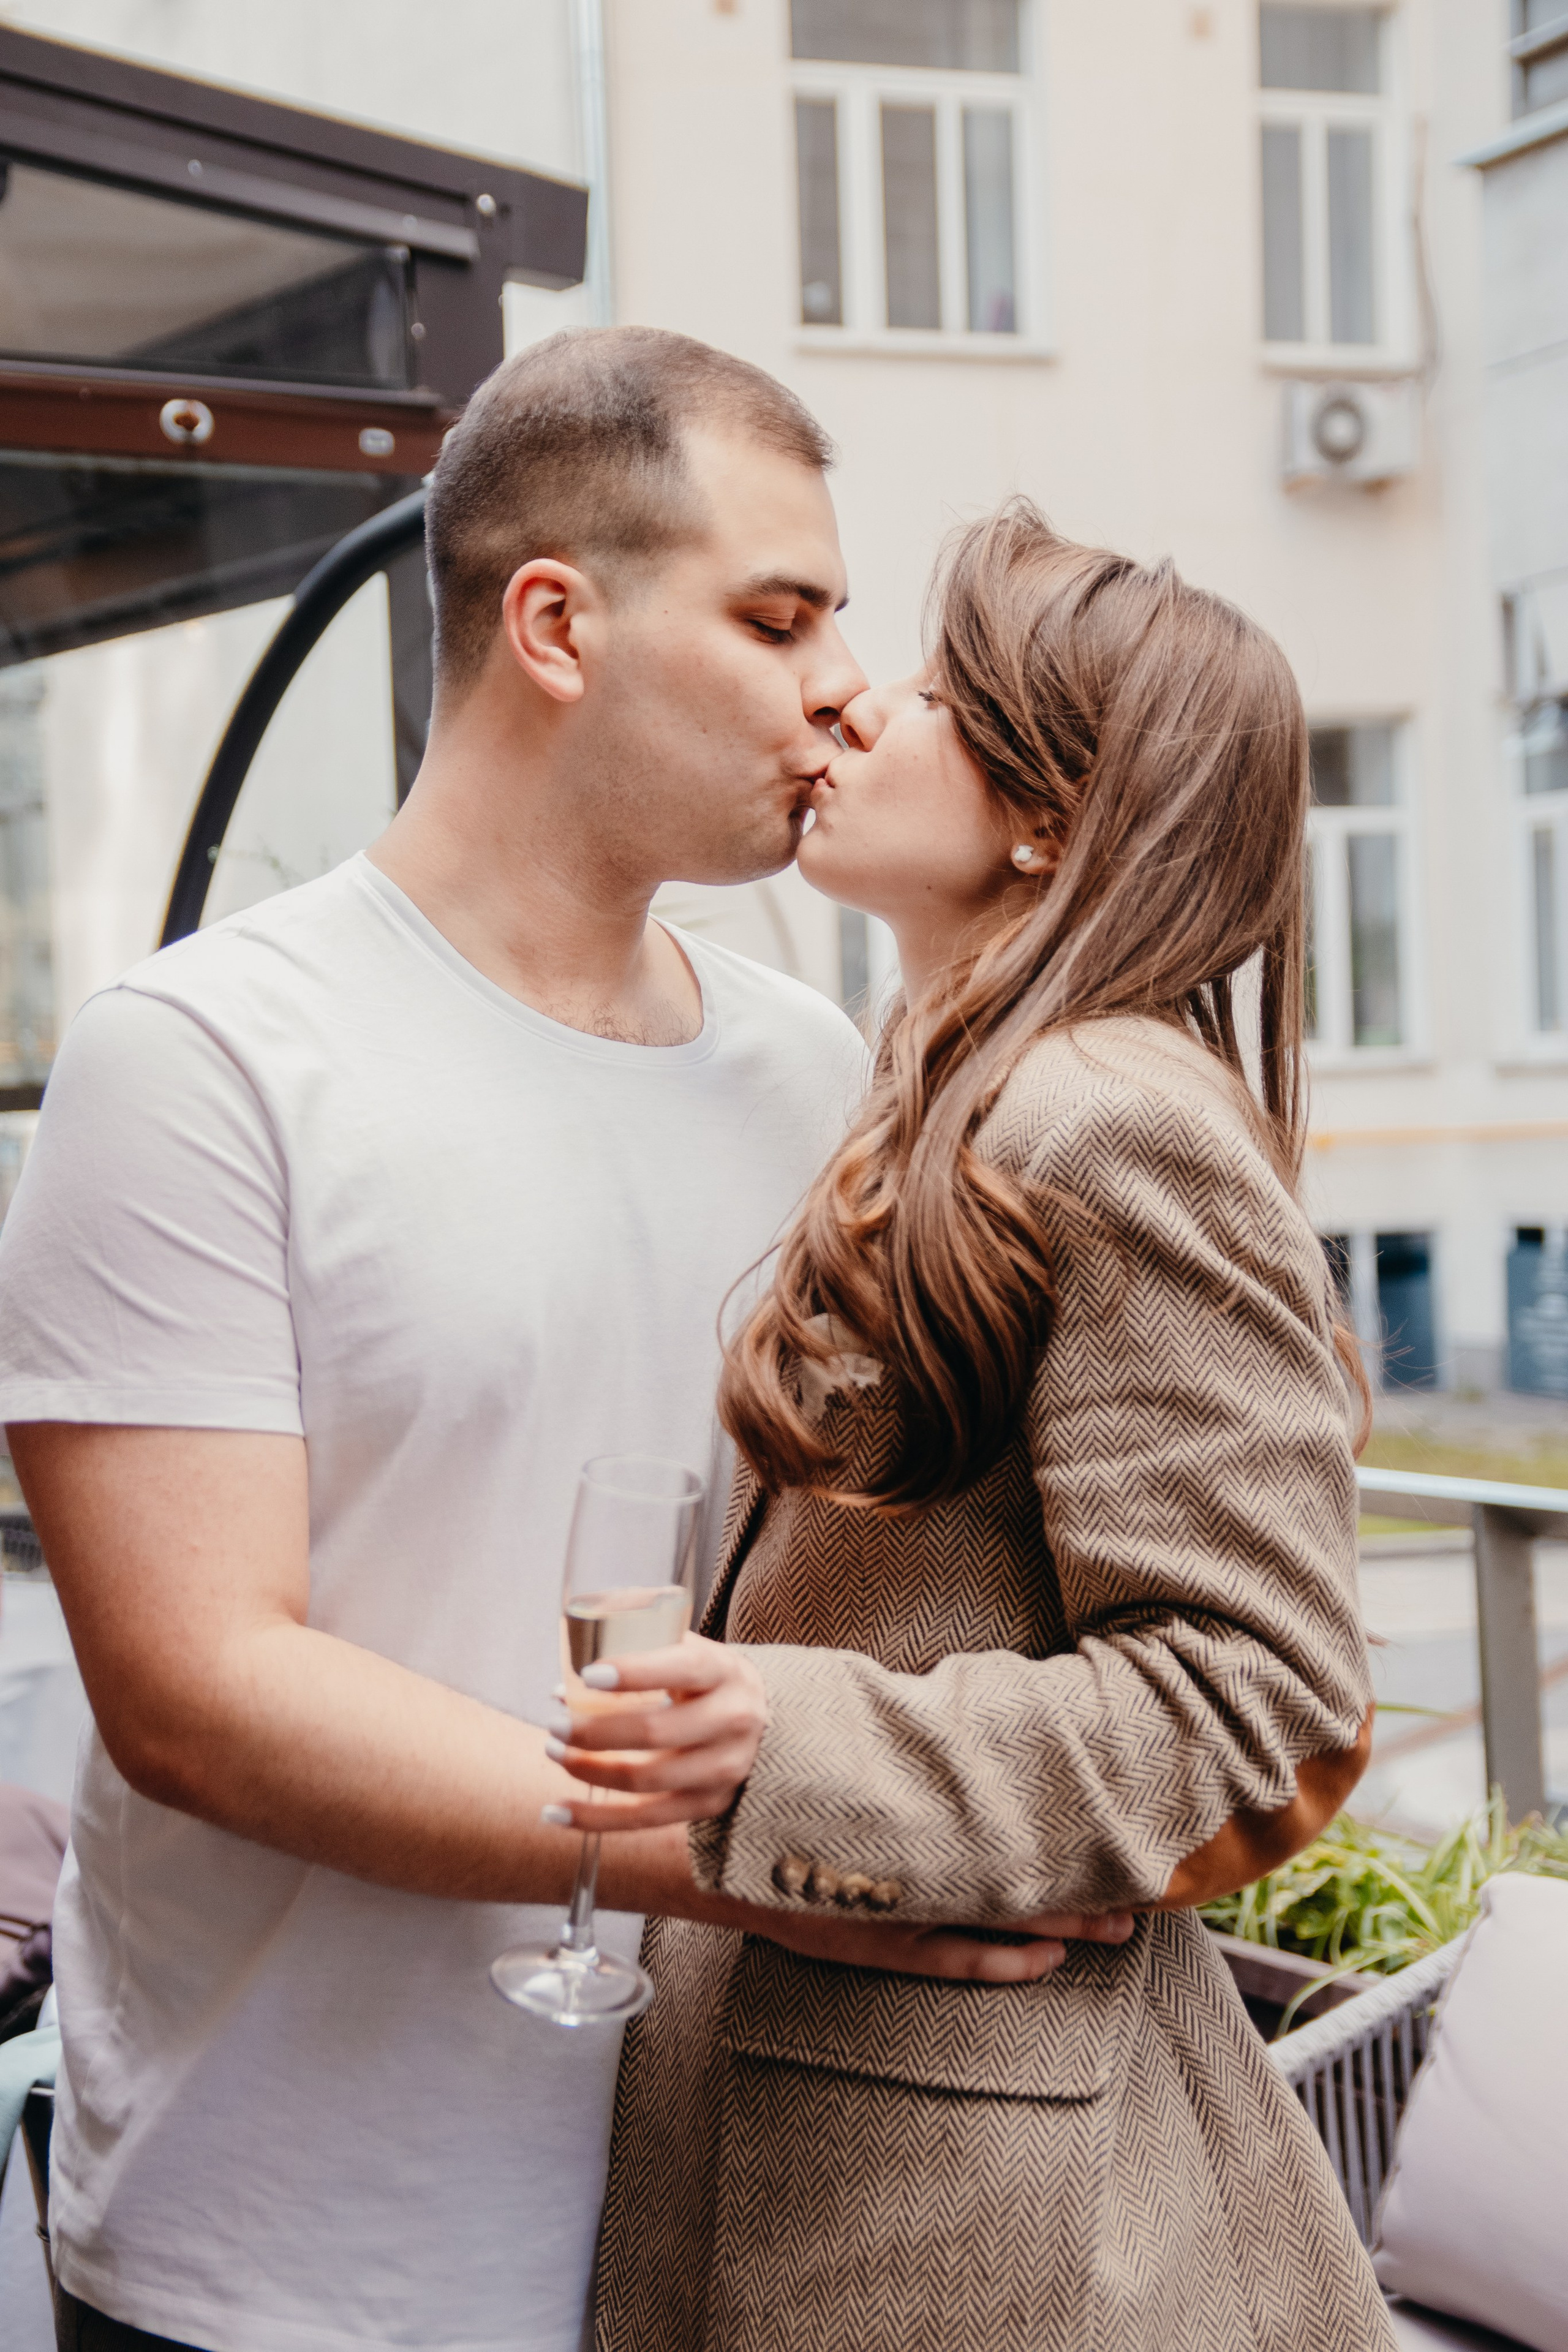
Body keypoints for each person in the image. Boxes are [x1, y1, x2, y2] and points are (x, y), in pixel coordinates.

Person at [0, 338, 1125, 2352]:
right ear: (555, 624)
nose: (842, 688)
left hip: (727, 2223)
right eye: (778, 618)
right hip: (285, 2257)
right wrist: (755, 1853)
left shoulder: (814, 1075)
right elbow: (193, 1689)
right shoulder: (198, 1059)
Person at [551, 504, 1391, 2352]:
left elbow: (1262, 1703)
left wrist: (782, 1731)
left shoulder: (1106, 1121)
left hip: (979, 2223)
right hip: (834, 2140)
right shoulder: (943, 1091)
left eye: (929, 691)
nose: (850, 709)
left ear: (1050, 818)